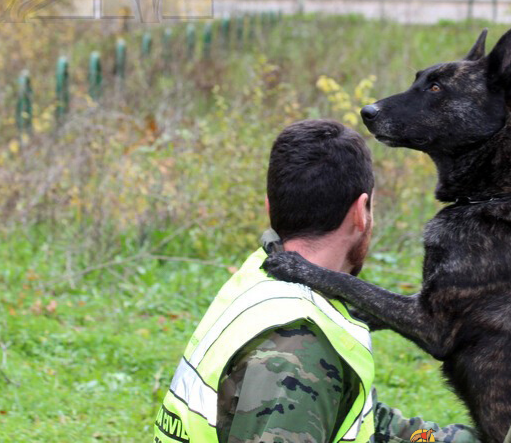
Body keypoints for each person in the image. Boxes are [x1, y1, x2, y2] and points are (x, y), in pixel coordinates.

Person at [154, 119, 480, 443]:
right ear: (361, 213)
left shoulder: (266, 280)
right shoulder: (298, 352)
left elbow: (364, 422)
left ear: (270, 206)